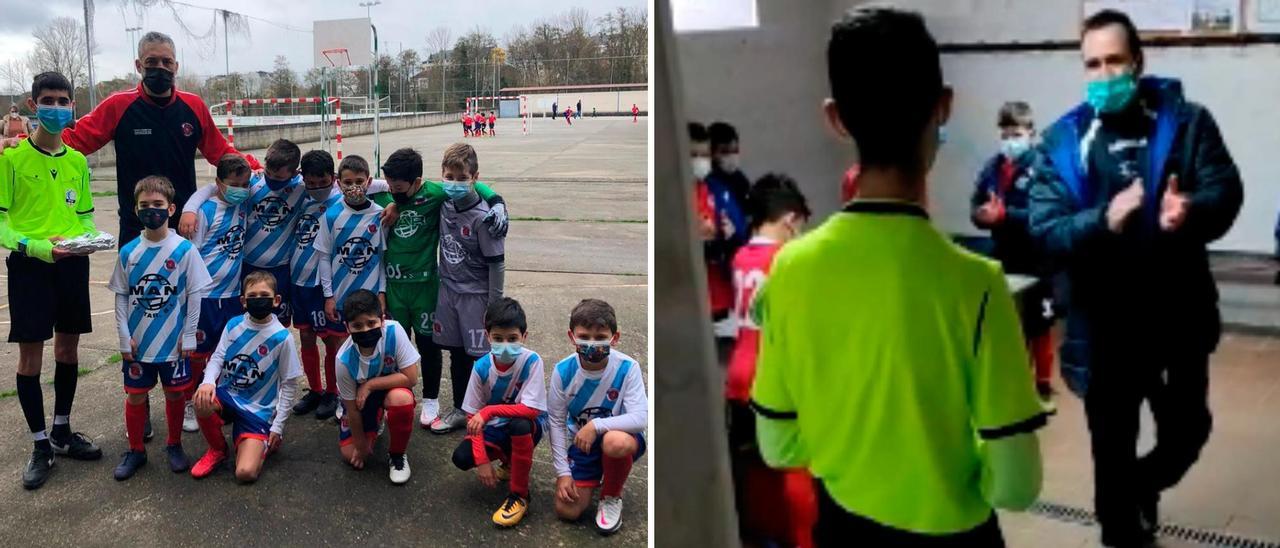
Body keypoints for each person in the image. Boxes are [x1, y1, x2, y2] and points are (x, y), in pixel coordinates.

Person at [752, 8, 1047, 545]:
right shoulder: (978, 285)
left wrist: (852, 447)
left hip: (843, 528)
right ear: (943, 107)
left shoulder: (790, 270)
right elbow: (1016, 485)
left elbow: (778, 446)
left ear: (836, 118)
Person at [1027, 9, 1243, 546]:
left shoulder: (1188, 122)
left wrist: (1189, 209)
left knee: (1188, 432)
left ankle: (1142, 486)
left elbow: (1226, 189)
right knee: (1110, 446)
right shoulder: (1062, 141)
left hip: (1178, 318)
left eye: (1114, 61)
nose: (1104, 75)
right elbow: (1046, 227)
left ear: (1138, 61)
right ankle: (1121, 529)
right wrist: (1103, 219)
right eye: (1092, 64)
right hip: (1103, 330)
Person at [16, 31, 254, 245]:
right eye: (151, 62)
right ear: (139, 65)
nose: (159, 67)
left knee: (184, 291)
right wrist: (18, 143)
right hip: (136, 222)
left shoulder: (193, 106)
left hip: (182, 221)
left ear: (176, 66)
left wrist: (257, 169)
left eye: (166, 62)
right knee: (135, 291)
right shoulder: (118, 105)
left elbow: (221, 153)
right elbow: (73, 140)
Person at [0, 72, 104, 490]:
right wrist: (39, 247)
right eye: (49, 100)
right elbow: (3, 225)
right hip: (31, 266)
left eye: (64, 101)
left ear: (72, 106)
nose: (57, 107)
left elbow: (84, 216)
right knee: (31, 358)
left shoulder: (78, 161)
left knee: (68, 348)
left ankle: (62, 430)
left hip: (72, 265)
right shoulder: (10, 161)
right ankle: (40, 444)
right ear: (32, 104)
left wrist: (92, 238)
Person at [369, 147, 507, 429]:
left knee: (433, 346)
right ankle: (395, 405)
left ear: (417, 182)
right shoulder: (390, 199)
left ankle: (435, 401)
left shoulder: (438, 195)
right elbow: (357, 181)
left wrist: (497, 201)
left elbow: (471, 182)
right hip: (397, 287)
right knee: (395, 347)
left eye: (400, 189)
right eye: (391, 189)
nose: (394, 193)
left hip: (430, 288)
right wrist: (395, 202)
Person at [724, 174, 815, 548]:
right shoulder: (789, 260)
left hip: (739, 374)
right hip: (774, 378)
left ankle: (760, 535)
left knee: (753, 469)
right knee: (796, 470)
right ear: (791, 219)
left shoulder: (742, 256)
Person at [109, 175, 213, 480]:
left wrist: (190, 334)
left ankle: (174, 444)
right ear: (135, 209)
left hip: (174, 343)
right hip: (139, 343)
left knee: (175, 395)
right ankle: (136, 450)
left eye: (158, 204)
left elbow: (195, 295)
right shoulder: (129, 252)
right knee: (135, 395)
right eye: (144, 205)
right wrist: (124, 337)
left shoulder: (184, 250)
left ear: (171, 209)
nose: (151, 210)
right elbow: (121, 297)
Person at [971, 101, 1057, 404]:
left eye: (1016, 133)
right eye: (1005, 134)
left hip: (1037, 258)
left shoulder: (1044, 166)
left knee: (1039, 325)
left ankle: (1043, 384)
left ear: (1030, 133)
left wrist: (1006, 215)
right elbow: (976, 204)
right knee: (1009, 325)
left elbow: (1042, 213)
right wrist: (981, 215)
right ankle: (1015, 385)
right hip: (1003, 257)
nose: (1010, 140)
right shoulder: (992, 167)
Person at [189, 270, 302, 482]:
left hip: (258, 410)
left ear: (276, 300)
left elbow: (289, 385)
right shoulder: (233, 325)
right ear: (243, 301)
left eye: (264, 296)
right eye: (252, 297)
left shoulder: (282, 338)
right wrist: (207, 382)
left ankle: (261, 441)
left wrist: (278, 426)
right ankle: (217, 450)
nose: (258, 301)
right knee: (201, 400)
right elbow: (218, 358)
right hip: (229, 397)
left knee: (245, 473)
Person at [549, 299, 647, 536]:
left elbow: (641, 417)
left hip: (620, 440)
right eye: (584, 336)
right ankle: (595, 472)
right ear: (572, 336)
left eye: (600, 336)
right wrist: (563, 474)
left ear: (615, 337)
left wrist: (596, 425)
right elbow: (556, 421)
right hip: (584, 444)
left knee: (614, 442)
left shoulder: (627, 367)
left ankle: (611, 495)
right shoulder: (563, 371)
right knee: (567, 510)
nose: (592, 343)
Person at [429, 143, 507, 434]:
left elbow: (497, 265)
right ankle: (461, 408)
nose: (454, 184)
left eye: (461, 178)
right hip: (448, 291)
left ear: (475, 176)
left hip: (476, 296)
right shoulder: (443, 202)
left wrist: (494, 306)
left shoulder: (485, 218)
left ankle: (488, 411)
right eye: (448, 177)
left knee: (482, 357)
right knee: (457, 354)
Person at [450, 297, 548, 527]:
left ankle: (520, 495)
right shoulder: (481, 367)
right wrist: (483, 461)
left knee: (520, 424)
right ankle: (508, 461)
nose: (505, 345)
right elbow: (472, 416)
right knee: (462, 458)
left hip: (527, 424)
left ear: (524, 336)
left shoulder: (532, 361)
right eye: (498, 338)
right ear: (487, 336)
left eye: (513, 338)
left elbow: (532, 410)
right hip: (495, 426)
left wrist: (491, 411)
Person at [185, 154, 253, 433]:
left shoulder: (244, 204)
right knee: (197, 354)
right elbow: (191, 254)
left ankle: (222, 400)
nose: (240, 188)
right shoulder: (205, 211)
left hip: (233, 296)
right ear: (219, 183)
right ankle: (192, 402)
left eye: (245, 183)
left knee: (226, 352)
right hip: (205, 298)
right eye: (234, 183)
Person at [334, 289, 421, 484]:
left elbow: (411, 377)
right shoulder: (343, 360)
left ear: (382, 320)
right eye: (357, 325)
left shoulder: (394, 331)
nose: (365, 330)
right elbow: (351, 408)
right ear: (347, 327)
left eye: (371, 323)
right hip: (361, 401)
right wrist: (361, 443)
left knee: (401, 400)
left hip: (391, 388)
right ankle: (374, 421)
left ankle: (398, 455)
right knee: (352, 455)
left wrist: (371, 384)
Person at [289, 150, 346, 418]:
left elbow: (375, 184)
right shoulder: (302, 198)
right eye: (310, 183)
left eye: (321, 182)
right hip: (298, 282)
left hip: (324, 285)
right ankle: (314, 389)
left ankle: (333, 392)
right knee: (306, 336)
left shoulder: (344, 201)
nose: (315, 188)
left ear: (332, 178)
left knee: (333, 341)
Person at [316, 155, 387, 350]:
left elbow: (382, 259)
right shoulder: (330, 216)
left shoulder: (379, 215)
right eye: (348, 182)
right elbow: (323, 258)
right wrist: (328, 296)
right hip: (340, 298)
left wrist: (382, 292)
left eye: (359, 181)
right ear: (338, 184)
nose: (354, 186)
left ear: (369, 182)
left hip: (371, 297)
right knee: (342, 347)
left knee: (374, 346)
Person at [703, 122, 750, 354]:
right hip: (721, 268)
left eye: (734, 150)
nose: (731, 156)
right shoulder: (707, 187)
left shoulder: (740, 182)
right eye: (725, 151)